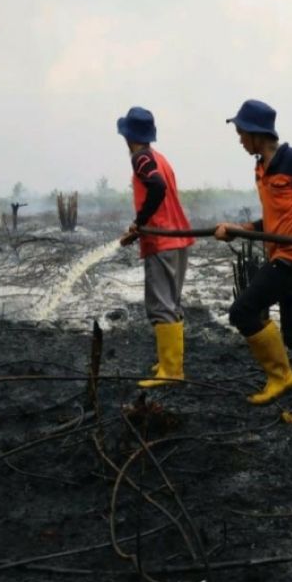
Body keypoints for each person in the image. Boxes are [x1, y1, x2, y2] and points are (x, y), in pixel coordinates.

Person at [215, 100, 292, 423]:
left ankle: (281, 377)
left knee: (242, 311)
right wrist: (240, 230)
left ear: (256, 134)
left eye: (241, 133)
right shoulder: (262, 169)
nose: (239, 140)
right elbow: (274, 223)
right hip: (282, 254)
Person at [117, 106, 194, 388]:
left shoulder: (141, 157)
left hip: (161, 241)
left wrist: (139, 222)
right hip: (178, 238)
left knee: (161, 305)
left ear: (128, 136)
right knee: (171, 303)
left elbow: (157, 187)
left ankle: (171, 372)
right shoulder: (160, 158)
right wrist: (139, 228)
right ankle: (168, 362)